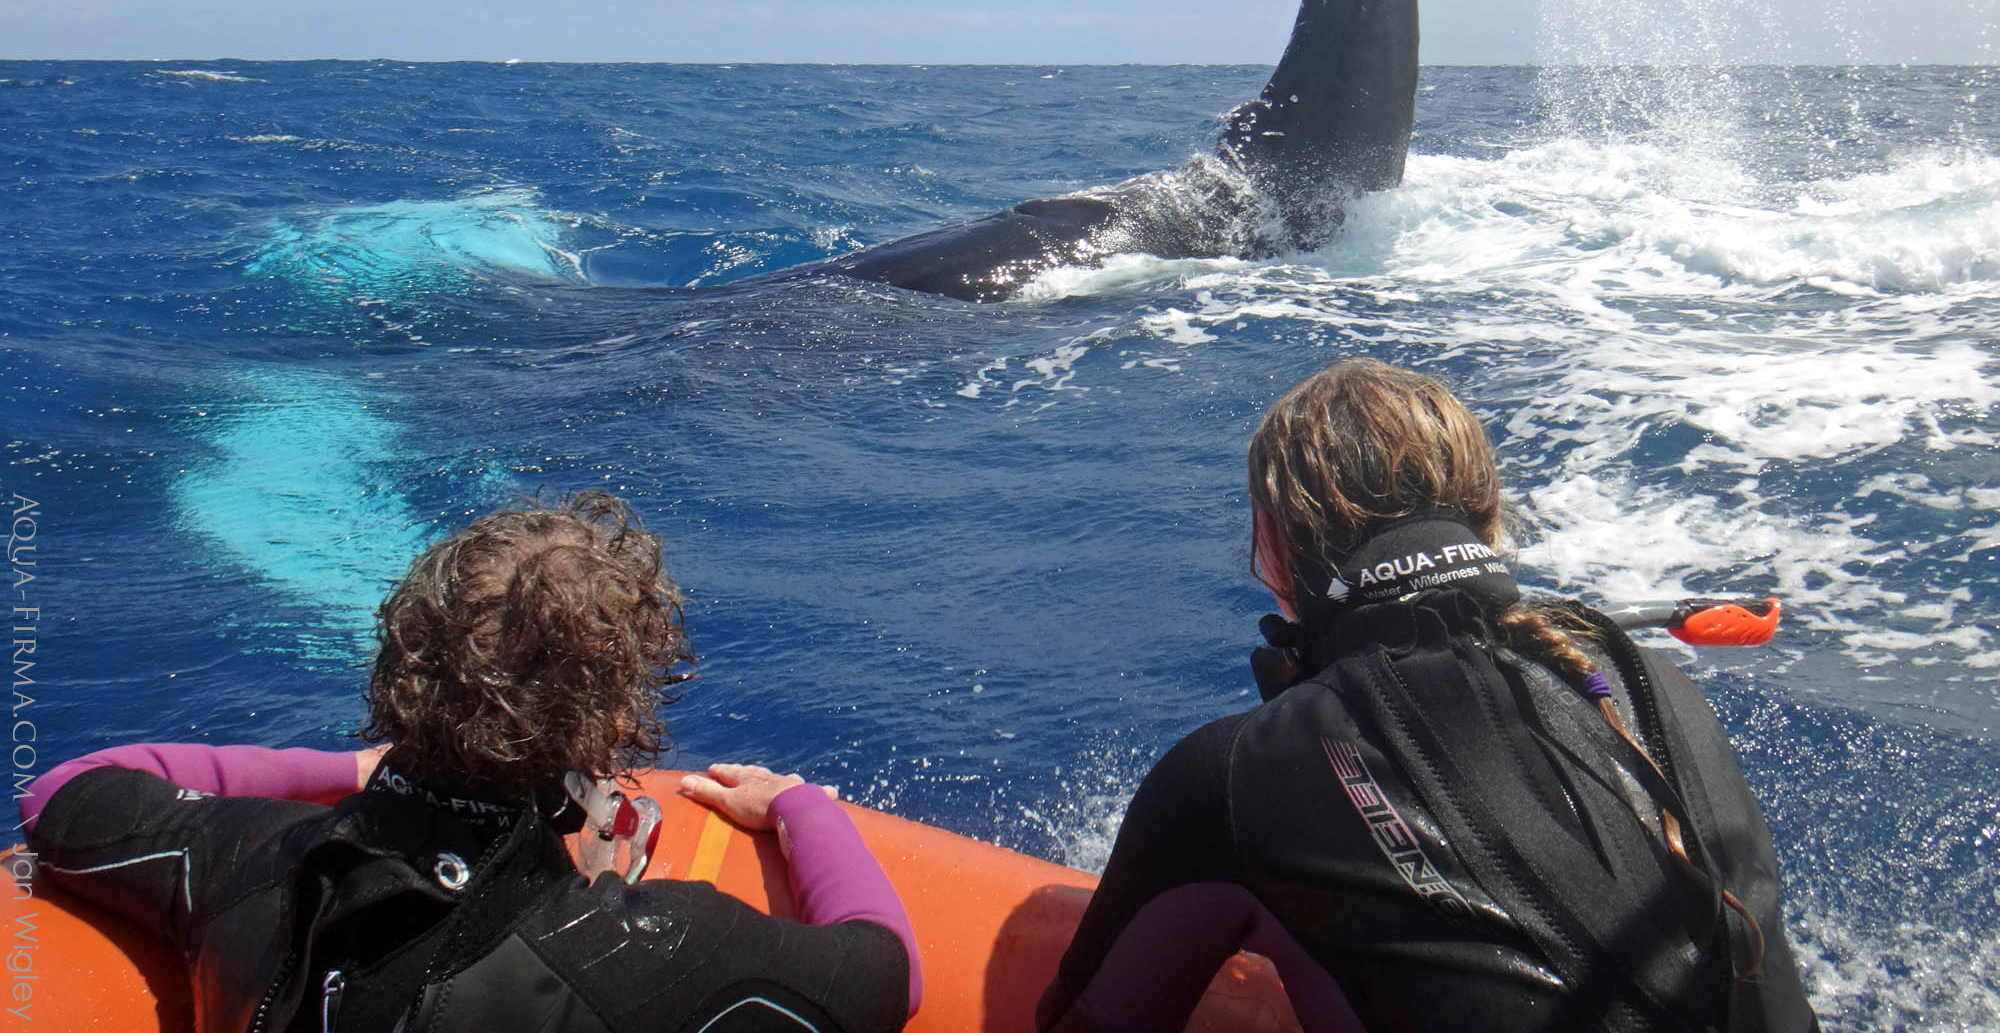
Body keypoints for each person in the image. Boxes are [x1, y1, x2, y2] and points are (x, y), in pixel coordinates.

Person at [1037, 359, 1820, 1033]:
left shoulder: (1233, 774)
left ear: (1272, 549)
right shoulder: (1658, 690)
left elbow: (1084, 1023)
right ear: (1487, 518)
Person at [23, 491, 921, 1033]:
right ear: (608, 722)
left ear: (401, 668)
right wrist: (801, 807)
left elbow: (64, 791)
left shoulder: (251, 863)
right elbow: (887, 973)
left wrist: (354, 771)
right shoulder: (649, 956)